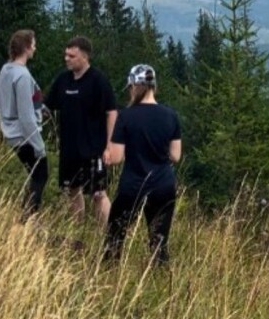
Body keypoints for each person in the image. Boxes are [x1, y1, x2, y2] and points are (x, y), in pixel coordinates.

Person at [103, 64, 182, 265]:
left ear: (135, 87)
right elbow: (175, 155)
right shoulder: (170, 115)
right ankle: (161, 277)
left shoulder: (126, 116)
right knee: (159, 240)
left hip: (133, 185)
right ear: (153, 86)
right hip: (164, 185)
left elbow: (117, 157)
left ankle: (110, 272)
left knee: (115, 235)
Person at [45, 36, 117, 228]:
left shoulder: (98, 80)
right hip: (69, 149)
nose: (67, 59)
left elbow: (111, 112)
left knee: (98, 194)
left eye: (72, 55)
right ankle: (76, 233)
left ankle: (111, 238)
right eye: (66, 55)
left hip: (94, 149)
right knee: (71, 190)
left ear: (84, 57)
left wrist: (110, 145)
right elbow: (47, 106)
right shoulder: (62, 80)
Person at [0, 29, 47, 217]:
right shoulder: (22, 75)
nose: (35, 47)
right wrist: (39, 145)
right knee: (40, 175)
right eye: (33, 44)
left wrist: (39, 108)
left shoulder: (6, 70)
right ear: (26, 48)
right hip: (24, 135)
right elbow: (26, 116)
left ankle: (25, 219)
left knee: (34, 176)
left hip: (10, 132)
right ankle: (27, 221)